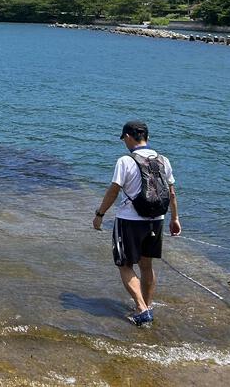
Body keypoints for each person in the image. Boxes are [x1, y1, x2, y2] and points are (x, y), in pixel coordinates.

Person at [92, 120, 182, 326]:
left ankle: (141, 309)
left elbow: (114, 190)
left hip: (129, 220)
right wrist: (175, 219)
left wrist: (100, 214)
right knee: (146, 265)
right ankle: (146, 307)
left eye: (124, 139)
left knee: (124, 264)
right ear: (147, 137)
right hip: (157, 219)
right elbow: (172, 193)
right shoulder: (164, 160)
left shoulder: (125, 161)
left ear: (128, 137)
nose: (124, 143)